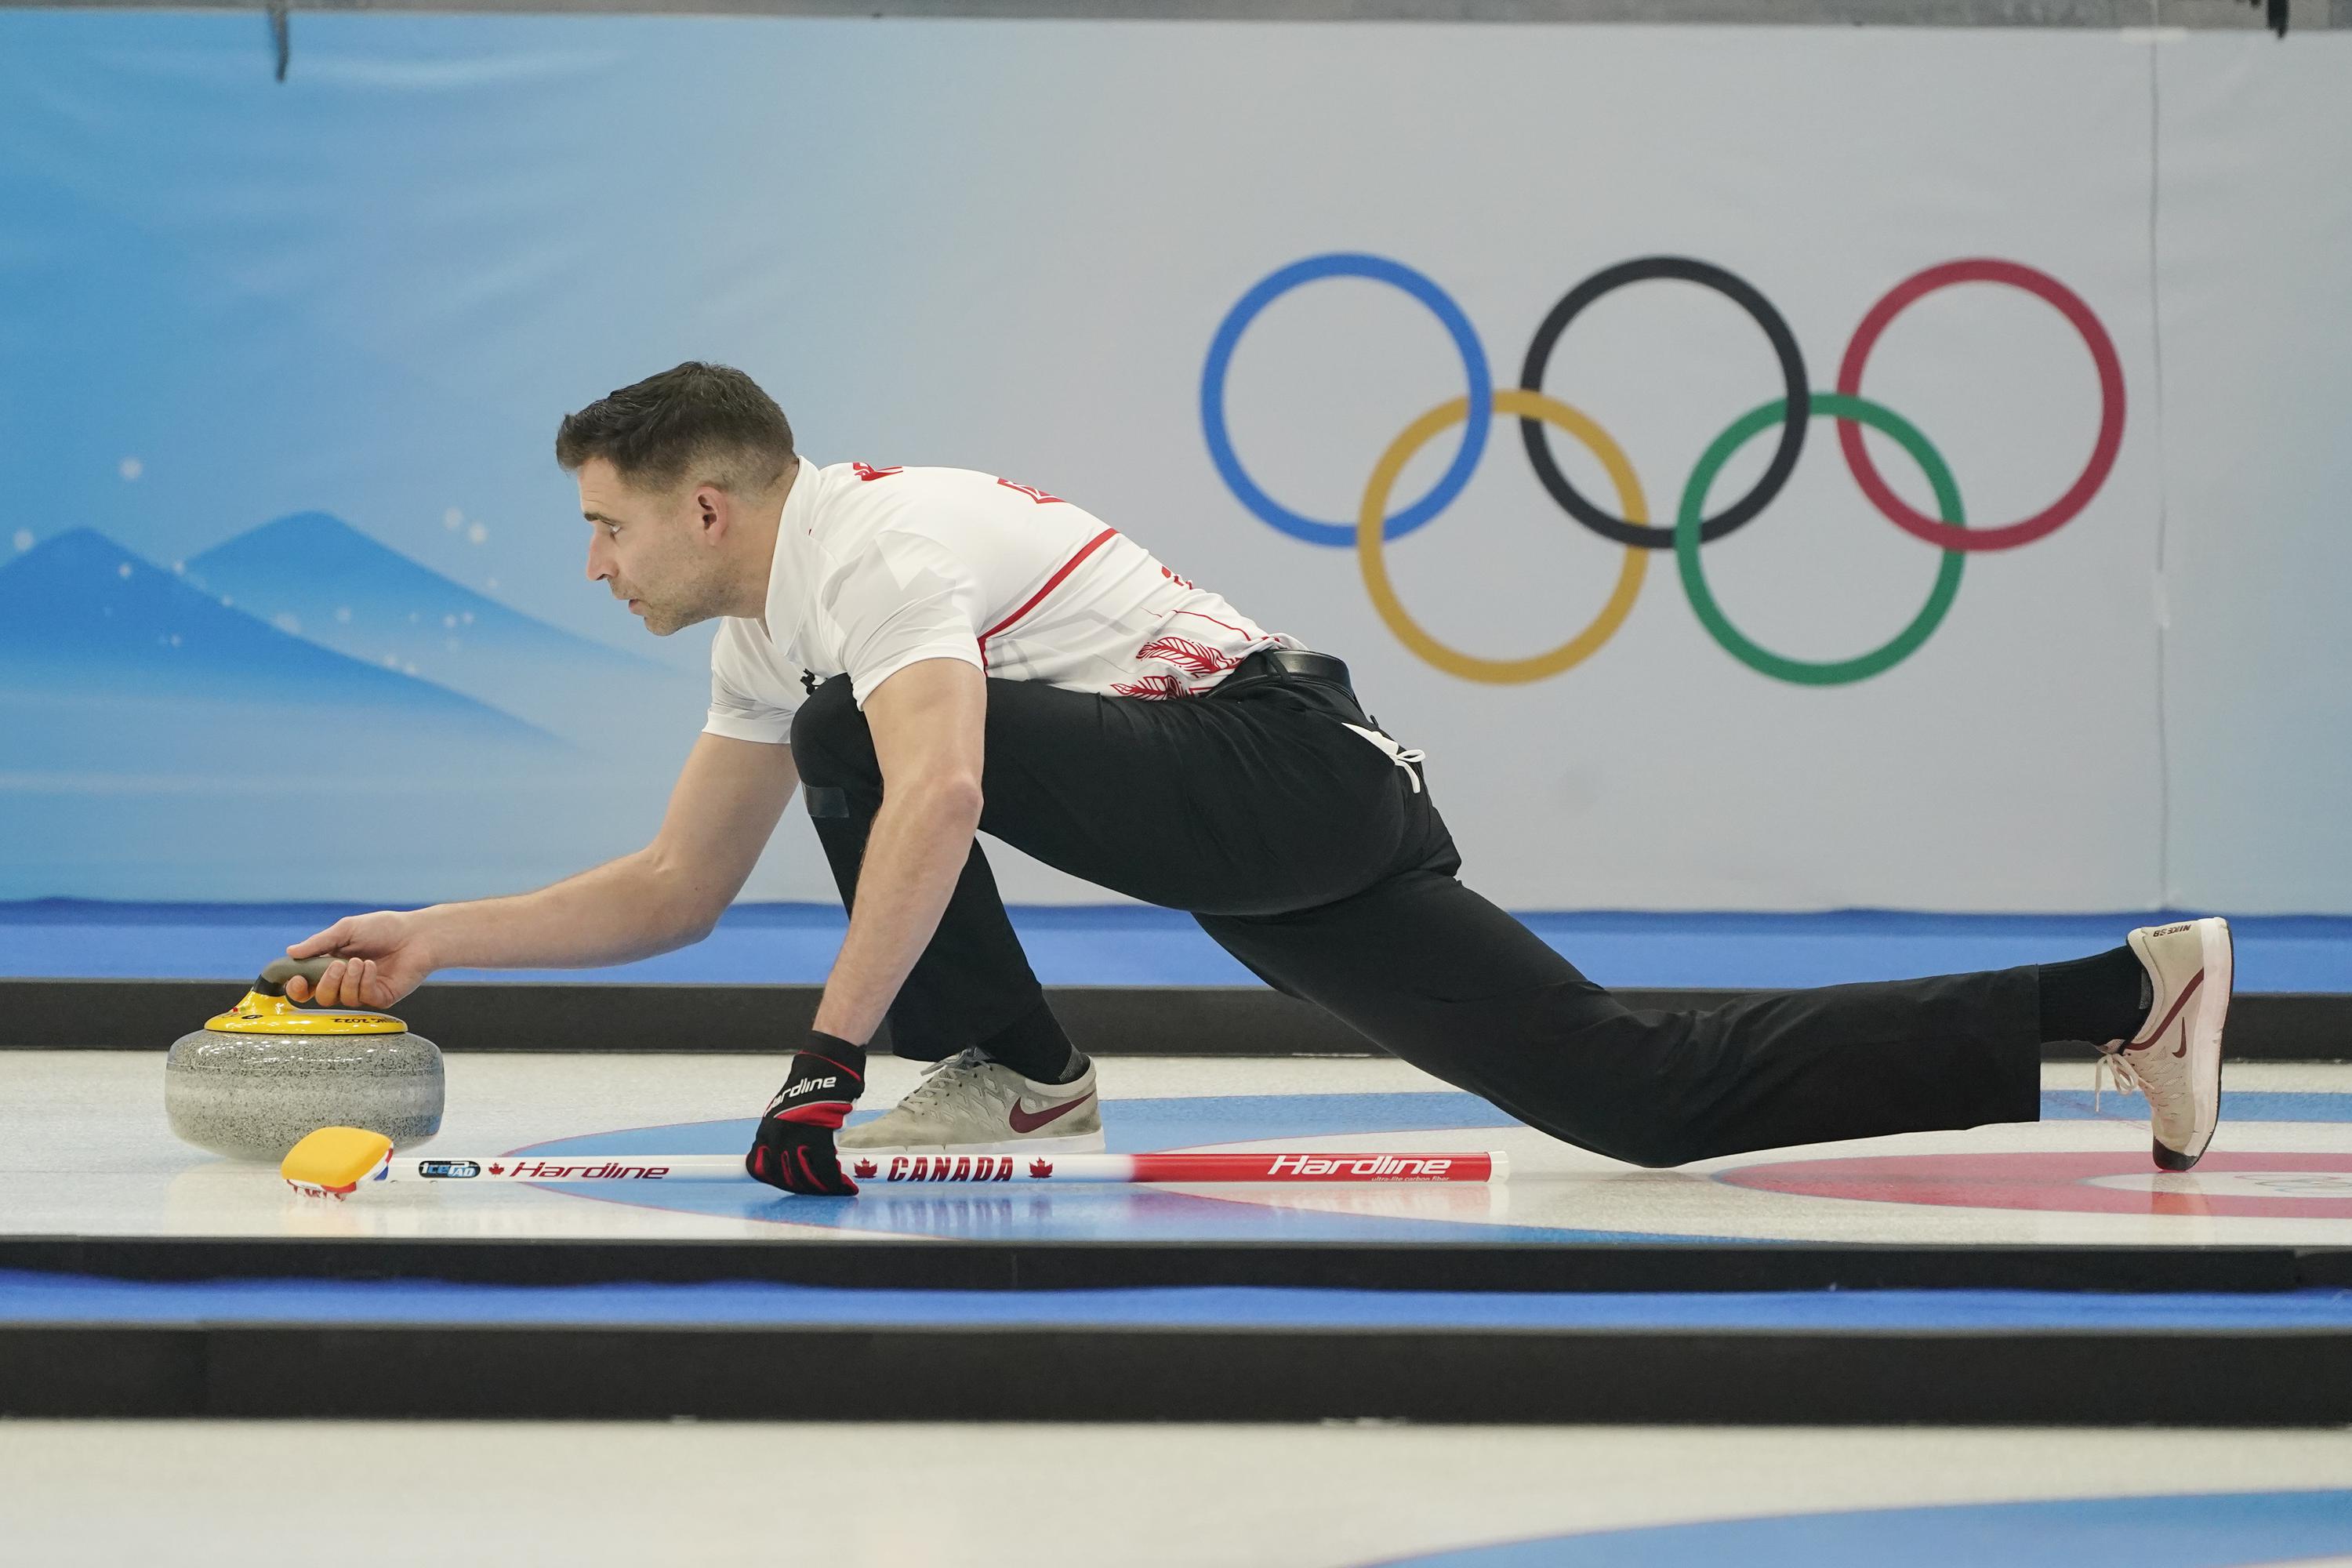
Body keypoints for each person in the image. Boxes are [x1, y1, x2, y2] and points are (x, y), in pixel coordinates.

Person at [288, 361, 2231, 1196]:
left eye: (605, 527)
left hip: (1273, 766)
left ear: (706, 502)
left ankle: (1026, 1073)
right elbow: (671, 889)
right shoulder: (769, 615)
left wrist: (828, 1063)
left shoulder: (871, 554)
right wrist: (436, 937)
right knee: (1632, 1094)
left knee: (865, 748)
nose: (593, 562)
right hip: (1248, 813)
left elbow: (940, 793)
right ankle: (2126, 999)